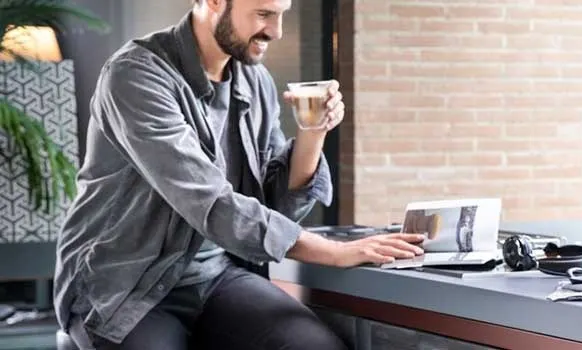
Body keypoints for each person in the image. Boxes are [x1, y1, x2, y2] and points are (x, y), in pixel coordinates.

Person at [52, 0, 425, 349]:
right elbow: (209, 203)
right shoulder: (136, 75)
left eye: (282, 13)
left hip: (213, 275)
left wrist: (313, 133)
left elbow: (277, 206)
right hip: (123, 285)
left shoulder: (254, 80)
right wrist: (334, 251)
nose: (276, 31)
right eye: (263, 14)